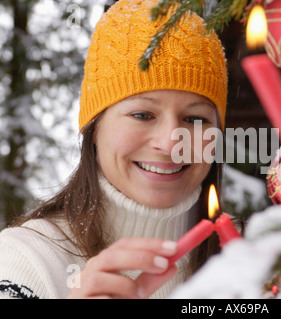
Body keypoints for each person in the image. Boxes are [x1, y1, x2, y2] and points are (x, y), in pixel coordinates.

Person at [0, 0, 228, 299]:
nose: (172, 142)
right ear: (94, 128)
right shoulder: (25, 259)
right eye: (142, 115)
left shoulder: (262, 254)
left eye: (196, 119)